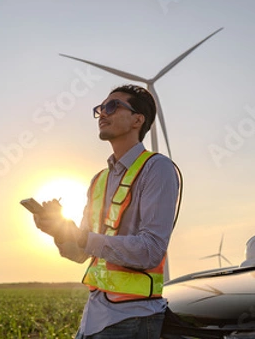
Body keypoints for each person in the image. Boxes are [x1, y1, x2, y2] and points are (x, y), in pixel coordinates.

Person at [33, 84, 181, 339]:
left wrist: (80, 237)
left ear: (138, 119)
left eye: (112, 106)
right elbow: (81, 253)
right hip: (94, 317)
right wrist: (58, 231)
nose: (102, 113)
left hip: (133, 317)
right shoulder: (98, 180)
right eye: (100, 108)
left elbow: (151, 250)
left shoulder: (158, 168)